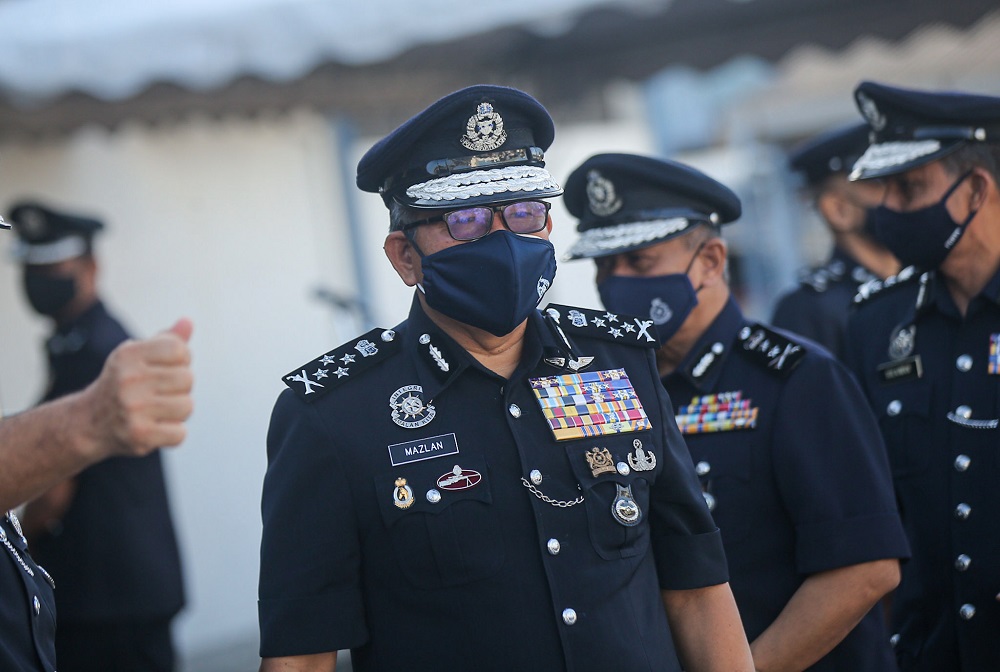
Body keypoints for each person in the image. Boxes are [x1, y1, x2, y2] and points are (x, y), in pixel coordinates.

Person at [258, 85, 754, 672]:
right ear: (404, 255)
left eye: (523, 214)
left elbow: (696, 585)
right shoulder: (333, 414)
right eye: (465, 221)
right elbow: (303, 654)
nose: (503, 241)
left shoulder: (618, 361)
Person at [564, 152, 909, 671]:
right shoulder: (606, 395)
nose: (615, 285)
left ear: (710, 262)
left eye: (639, 263)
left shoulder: (796, 380)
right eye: (604, 266)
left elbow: (866, 568)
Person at [845, 81, 1000, 672]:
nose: (888, 209)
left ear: (976, 190)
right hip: (931, 652)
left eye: (909, 188)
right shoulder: (877, 321)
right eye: (885, 188)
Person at [7, 202, 186, 672]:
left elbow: (52, 492)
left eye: (51, 265)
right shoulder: (78, 342)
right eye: (31, 265)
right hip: (116, 592)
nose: (38, 276)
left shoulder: (94, 351)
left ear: (89, 266)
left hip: (110, 601)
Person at [771, 123, 899, 359]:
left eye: (902, 184)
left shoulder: (927, 287)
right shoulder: (809, 311)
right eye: (878, 184)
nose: (899, 198)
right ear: (838, 209)